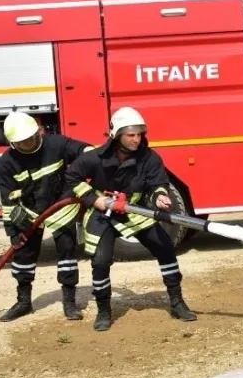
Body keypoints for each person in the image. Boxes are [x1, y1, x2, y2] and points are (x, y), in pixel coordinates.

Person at [65, 106, 196, 332]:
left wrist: (160, 196)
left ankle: (177, 302)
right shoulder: (94, 157)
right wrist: (91, 198)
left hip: (135, 211)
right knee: (101, 260)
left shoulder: (149, 158)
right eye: (131, 135)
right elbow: (72, 176)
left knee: (165, 247)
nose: (136, 140)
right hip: (103, 214)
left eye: (139, 135)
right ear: (117, 135)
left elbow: (158, 184)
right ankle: (104, 310)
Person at [0, 111, 94, 322]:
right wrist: (13, 232)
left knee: (67, 253)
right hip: (30, 212)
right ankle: (23, 302)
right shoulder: (7, 163)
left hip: (61, 205)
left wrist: (93, 154)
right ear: (12, 143)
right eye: (21, 143)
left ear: (38, 132)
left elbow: (81, 149)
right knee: (23, 255)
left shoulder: (55, 143)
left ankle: (69, 302)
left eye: (30, 139)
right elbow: (8, 201)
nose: (28, 144)